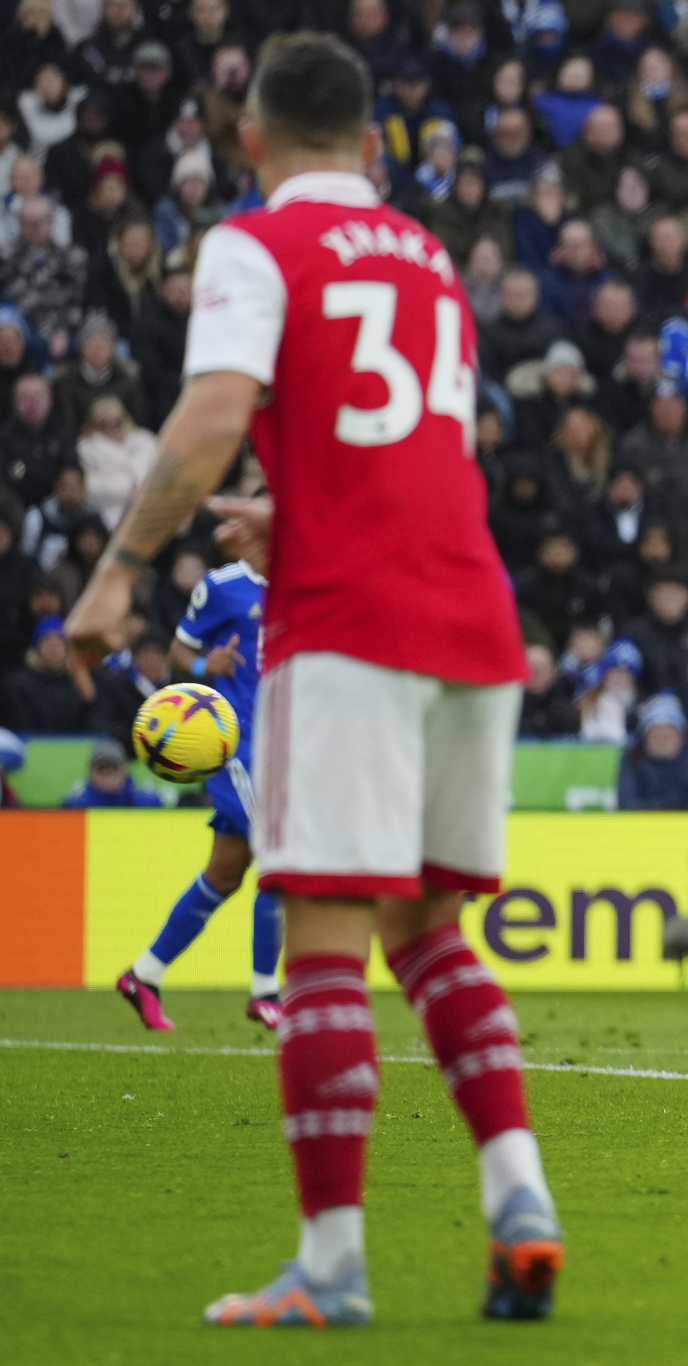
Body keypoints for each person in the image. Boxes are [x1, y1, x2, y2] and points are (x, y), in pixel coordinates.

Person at [63, 36, 561, 1327]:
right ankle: (520, 1200)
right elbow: (411, 447)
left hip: (349, 625)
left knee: (327, 942)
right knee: (430, 933)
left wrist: (119, 571)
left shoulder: (255, 242)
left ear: (250, 141)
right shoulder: (429, 258)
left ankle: (331, 1265)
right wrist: (299, 515)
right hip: (474, 615)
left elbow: (214, 411)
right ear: (375, 143)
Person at [113, 560, 281, 1035]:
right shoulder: (225, 585)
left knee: (224, 874)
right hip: (235, 743)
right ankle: (266, 991)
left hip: (286, 744)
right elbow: (179, 651)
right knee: (281, 854)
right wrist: (208, 665)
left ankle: (144, 974)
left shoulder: (309, 573)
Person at [616, 692, 688, 810]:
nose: (662, 742)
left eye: (668, 736)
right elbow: (627, 801)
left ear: (680, 736)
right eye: (656, 736)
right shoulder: (632, 760)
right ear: (645, 738)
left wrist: (679, 815)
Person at [63, 736, 166, 807]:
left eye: (114, 767)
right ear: (90, 771)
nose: (108, 774)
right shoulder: (74, 807)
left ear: (125, 770)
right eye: (101, 768)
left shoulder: (149, 804)